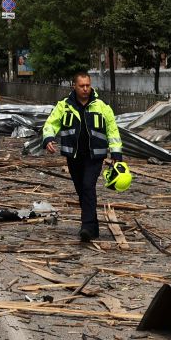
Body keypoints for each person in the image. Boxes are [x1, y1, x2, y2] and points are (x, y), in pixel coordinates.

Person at [42, 71, 123, 243]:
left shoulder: (101, 106)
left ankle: (86, 226)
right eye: (82, 86)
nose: (86, 89)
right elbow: (51, 123)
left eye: (88, 85)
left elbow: (112, 130)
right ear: (74, 86)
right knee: (82, 190)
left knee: (88, 186)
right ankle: (92, 227)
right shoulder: (64, 106)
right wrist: (48, 138)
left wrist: (116, 152)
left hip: (95, 156)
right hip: (74, 155)